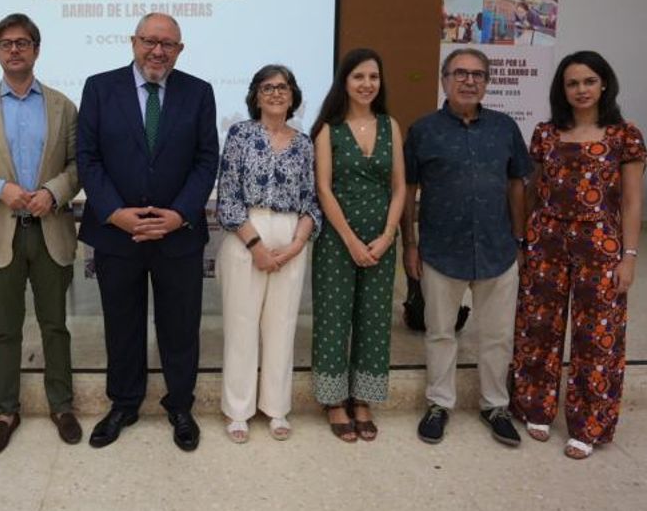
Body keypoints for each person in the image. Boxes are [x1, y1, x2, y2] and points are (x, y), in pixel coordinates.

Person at [77, 12, 218, 452]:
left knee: (180, 327)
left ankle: (180, 405)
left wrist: (179, 214)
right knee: (123, 325)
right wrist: (114, 212)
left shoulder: (199, 92)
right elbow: (88, 157)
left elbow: (205, 160)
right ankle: (124, 404)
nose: (158, 51)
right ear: (133, 41)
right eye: (149, 41)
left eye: (168, 44)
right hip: (117, 234)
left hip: (178, 235)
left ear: (180, 50)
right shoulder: (100, 88)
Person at [0, 13, 83, 454]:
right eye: (6, 44)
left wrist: (54, 191)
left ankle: (62, 406)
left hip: (50, 230)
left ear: (36, 50)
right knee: (6, 329)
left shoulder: (63, 106)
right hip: (1, 233)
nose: (14, 50)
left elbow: (80, 167)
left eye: (23, 42)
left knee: (55, 326)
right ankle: (6, 411)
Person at [510, 51, 645, 460]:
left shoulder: (625, 136)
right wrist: (522, 242)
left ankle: (589, 424)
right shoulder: (545, 133)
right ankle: (535, 406)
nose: (581, 90)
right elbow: (530, 192)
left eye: (589, 81)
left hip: (601, 247)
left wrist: (630, 256)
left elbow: (633, 203)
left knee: (596, 338)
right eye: (572, 83)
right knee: (538, 329)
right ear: (562, 90)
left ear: (604, 83)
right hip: (546, 241)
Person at [402, 47, 531, 447]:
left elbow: (517, 184)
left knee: (497, 335)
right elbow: (407, 189)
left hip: (498, 249)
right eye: (460, 73)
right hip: (442, 249)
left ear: (487, 82)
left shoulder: (505, 128)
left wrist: (520, 238)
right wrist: (411, 243)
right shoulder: (424, 130)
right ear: (444, 80)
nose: (469, 80)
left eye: (478, 74)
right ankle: (439, 403)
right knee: (440, 332)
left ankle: (496, 405)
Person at [215, 65, 320, 443]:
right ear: (256, 96)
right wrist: (257, 247)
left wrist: (295, 245)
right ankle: (238, 411)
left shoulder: (305, 143)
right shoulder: (240, 134)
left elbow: (312, 202)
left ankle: (276, 409)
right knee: (241, 327)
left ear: (293, 96)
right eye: (267, 87)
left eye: (283, 87)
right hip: (246, 234)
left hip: (292, 235)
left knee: (282, 327)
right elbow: (227, 197)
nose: (276, 93)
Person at [310, 49, 406, 443]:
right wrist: (350, 240)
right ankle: (334, 401)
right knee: (334, 319)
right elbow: (323, 189)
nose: (367, 84)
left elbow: (399, 187)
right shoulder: (328, 129)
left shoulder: (390, 125)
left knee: (374, 319)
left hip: (382, 240)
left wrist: (386, 236)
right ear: (344, 82)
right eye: (358, 77)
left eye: (374, 77)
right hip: (337, 240)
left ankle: (363, 399)